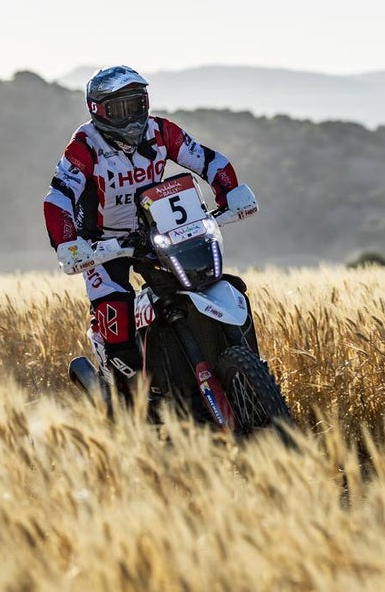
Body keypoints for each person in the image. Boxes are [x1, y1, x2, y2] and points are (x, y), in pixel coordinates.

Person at [42, 65, 241, 397]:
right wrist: (68, 243)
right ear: (97, 111)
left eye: (137, 105)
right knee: (115, 311)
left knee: (210, 282)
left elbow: (208, 160)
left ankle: (233, 369)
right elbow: (58, 198)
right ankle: (121, 385)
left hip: (160, 231)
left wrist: (230, 191)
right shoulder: (84, 145)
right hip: (103, 244)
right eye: (119, 109)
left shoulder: (161, 131)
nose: (132, 118)